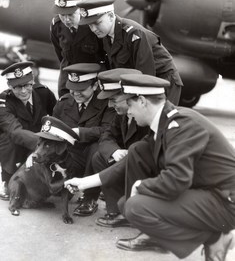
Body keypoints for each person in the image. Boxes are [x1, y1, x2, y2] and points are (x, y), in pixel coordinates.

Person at [65, 73, 235, 261]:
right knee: (128, 198)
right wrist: (84, 182)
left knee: (137, 207)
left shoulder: (181, 126)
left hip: (226, 200)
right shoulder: (166, 123)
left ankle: (215, 237)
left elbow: (176, 180)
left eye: (129, 105)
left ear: (143, 101)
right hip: (210, 192)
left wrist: (140, 186)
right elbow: (127, 162)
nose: (127, 112)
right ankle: (202, 235)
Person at [76, 0, 183, 105]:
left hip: (162, 82)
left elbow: (145, 75)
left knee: (158, 119)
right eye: (90, 25)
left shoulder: (134, 34)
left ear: (111, 16)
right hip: (139, 81)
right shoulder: (106, 35)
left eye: (97, 23)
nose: (94, 29)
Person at [53, 63, 115, 216]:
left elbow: (108, 130)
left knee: (97, 150)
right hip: (69, 155)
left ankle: (90, 197)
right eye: (72, 89)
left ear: (95, 86)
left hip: (91, 157)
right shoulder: (64, 102)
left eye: (81, 90)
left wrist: (80, 132)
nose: (76, 94)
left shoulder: (107, 103)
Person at [90, 68, 149, 227]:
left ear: (129, 95)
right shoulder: (121, 115)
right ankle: (117, 211)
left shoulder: (147, 116)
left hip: (147, 169)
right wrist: (114, 151)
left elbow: (145, 151)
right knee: (100, 157)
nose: (109, 105)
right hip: (131, 163)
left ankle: (136, 212)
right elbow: (106, 136)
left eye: (114, 99)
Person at [0, 61, 56, 200]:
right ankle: (7, 179)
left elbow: (57, 116)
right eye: (17, 87)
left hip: (36, 141)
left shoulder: (43, 93)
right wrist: (44, 144)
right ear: (9, 86)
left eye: (27, 85)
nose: (23, 90)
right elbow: (15, 132)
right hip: (15, 144)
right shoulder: (3, 102)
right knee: (9, 140)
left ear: (32, 81)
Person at [50, 0, 107, 97]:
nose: (66, 20)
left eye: (71, 15)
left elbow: (105, 54)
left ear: (80, 11)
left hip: (92, 78)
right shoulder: (56, 25)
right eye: (62, 15)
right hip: (68, 77)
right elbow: (60, 53)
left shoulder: (93, 25)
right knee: (66, 105)